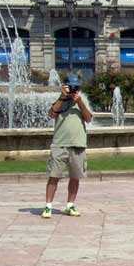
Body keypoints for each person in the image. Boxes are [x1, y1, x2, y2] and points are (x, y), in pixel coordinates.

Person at [43, 74, 93, 219]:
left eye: (75, 87)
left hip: (78, 143)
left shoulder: (81, 100)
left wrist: (80, 102)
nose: (73, 90)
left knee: (75, 176)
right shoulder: (60, 100)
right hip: (60, 144)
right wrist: (63, 97)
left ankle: (70, 204)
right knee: (54, 176)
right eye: (71, 87)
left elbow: (89, 119)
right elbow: (52, 114)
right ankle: (48, 206)